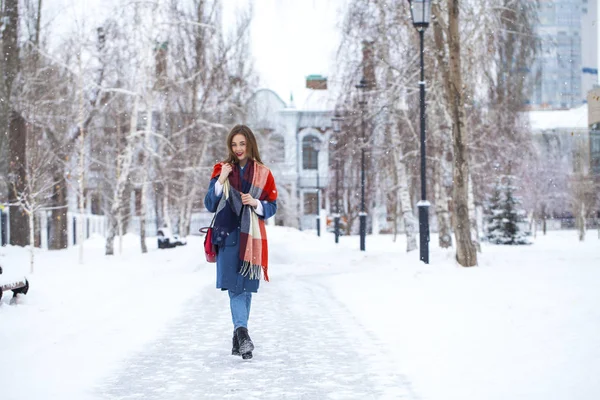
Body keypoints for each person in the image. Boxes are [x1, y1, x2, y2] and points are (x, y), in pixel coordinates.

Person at [204, 124, 278, 360]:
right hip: (228, 236)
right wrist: (220, 181)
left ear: (250, 144)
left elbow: (272, 206)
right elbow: (209, 204)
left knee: (246, 289)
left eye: (242, 144)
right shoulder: (222, 169)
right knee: (235, 288)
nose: (237, 148)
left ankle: (239, 338)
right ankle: (243, 333)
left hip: (252, 237)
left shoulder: (263, 173)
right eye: (234, 144)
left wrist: (255, 203)